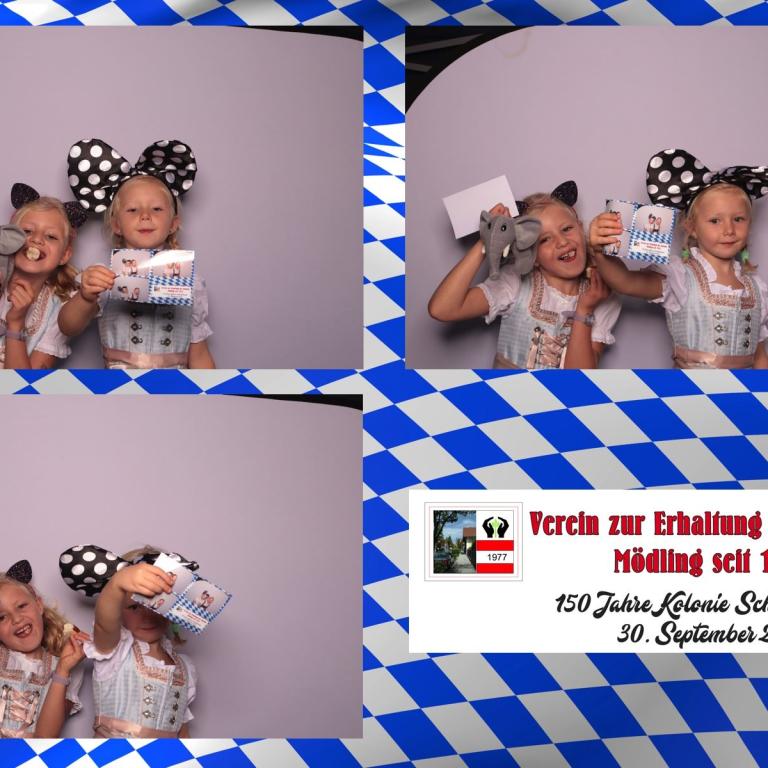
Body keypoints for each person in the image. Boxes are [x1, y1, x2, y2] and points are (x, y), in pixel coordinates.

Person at [589, 148, 768, 368]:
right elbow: (626, 282)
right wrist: (600, 251)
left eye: (738, 219)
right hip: (691, 389)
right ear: (691, 227)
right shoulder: (680, 277)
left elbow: (760, 356)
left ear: (750, 224)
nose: (729, 230)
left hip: (744, 391)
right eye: (715, 221)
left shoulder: (756, 288)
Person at [58, 139, 215, 369]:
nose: (145, 215)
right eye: (132, 209)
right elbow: (67, 327)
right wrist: (85, 296)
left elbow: (199, 354)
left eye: (157, 209)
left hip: (174, 387)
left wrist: (213, 391)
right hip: (119, 387)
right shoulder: (103, 278)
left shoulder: (190, 283)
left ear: (173, 223)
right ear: (116, 225)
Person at [429, 182, 620, 368]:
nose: (562, 242)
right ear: (531, 255)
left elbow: (581, 378)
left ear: (580, 228)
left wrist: (584, 309)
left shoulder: (603, 295)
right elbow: (441, 309)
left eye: (567, 229)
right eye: (545, 239)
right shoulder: (515, 283)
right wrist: (488, 242)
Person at [59, 545, 198, 738]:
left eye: (156, 605)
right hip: (113, 754)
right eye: (134, 607)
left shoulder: (184, 668)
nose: (148, 616)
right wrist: (117, 584)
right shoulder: (116, 649)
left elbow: (182, 731)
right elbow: (105, 624)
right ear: (118, 610)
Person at [0, 184, 86, 368]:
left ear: (64, 255)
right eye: (27, 231)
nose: (36, 239)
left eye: (51, 237)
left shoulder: (60, 312)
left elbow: (22, 384)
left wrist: (16, 324)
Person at [0, 560, 87, 737]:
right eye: (1, 617)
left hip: (35, 755)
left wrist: (62, 670)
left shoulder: (67, 667)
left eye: (21, 606)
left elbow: (46, 739)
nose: (17, 619)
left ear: (39, 605)